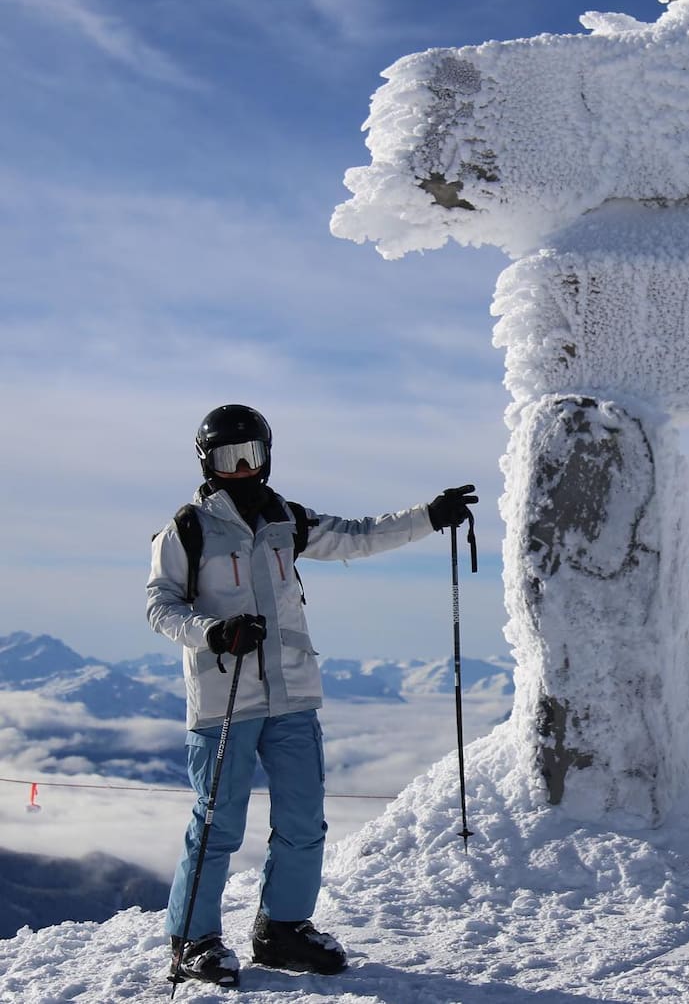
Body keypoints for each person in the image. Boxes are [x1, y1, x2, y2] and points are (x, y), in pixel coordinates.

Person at [147, 403, 476, 987]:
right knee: (218, 823)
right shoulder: (188, 529)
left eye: (251, 456)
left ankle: (283, 931)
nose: (242, 468)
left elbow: (358, 536)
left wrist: (429, 516)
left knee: (303, 818)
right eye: (229, 458)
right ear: (208, 461)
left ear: (267, 457)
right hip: (226, 696)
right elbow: (161, 604)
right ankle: (194, 941)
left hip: (294, 693)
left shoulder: (287, 520)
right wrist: (213, 632)